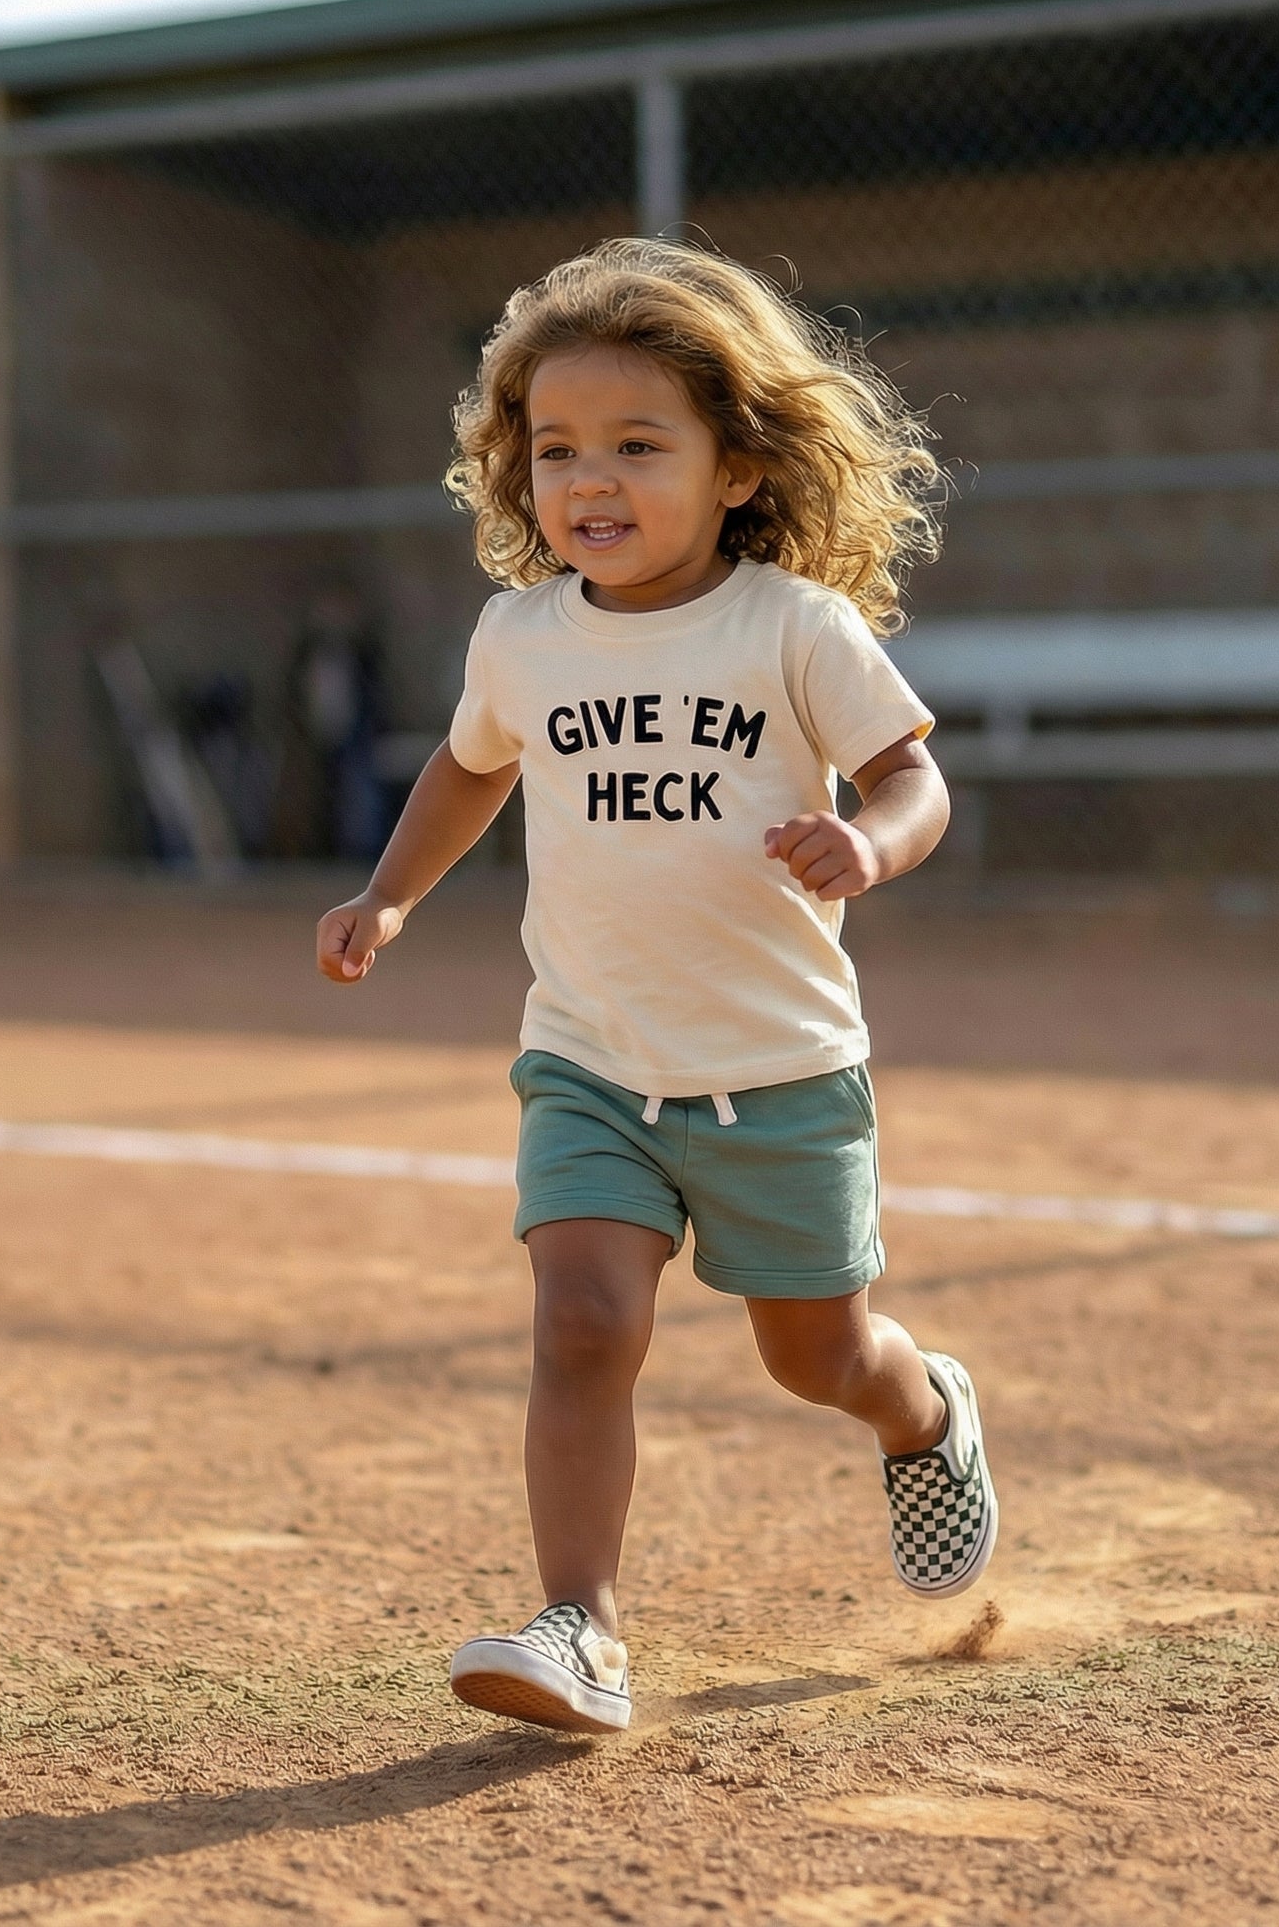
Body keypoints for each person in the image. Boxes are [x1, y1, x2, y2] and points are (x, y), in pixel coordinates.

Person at [316, 238, 996, 1734]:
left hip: (779, 1070)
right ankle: (582, 1628)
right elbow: (464, 767)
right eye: (555, 449)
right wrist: (388, 894)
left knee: (816, 1354)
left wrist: (867, 845)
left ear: (739, 466)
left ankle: (922, 1411)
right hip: (589, 1063)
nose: (589, 479)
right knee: (580, 1322)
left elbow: (913, 777)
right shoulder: (521, 635)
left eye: (637, 444)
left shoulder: (792, 629)